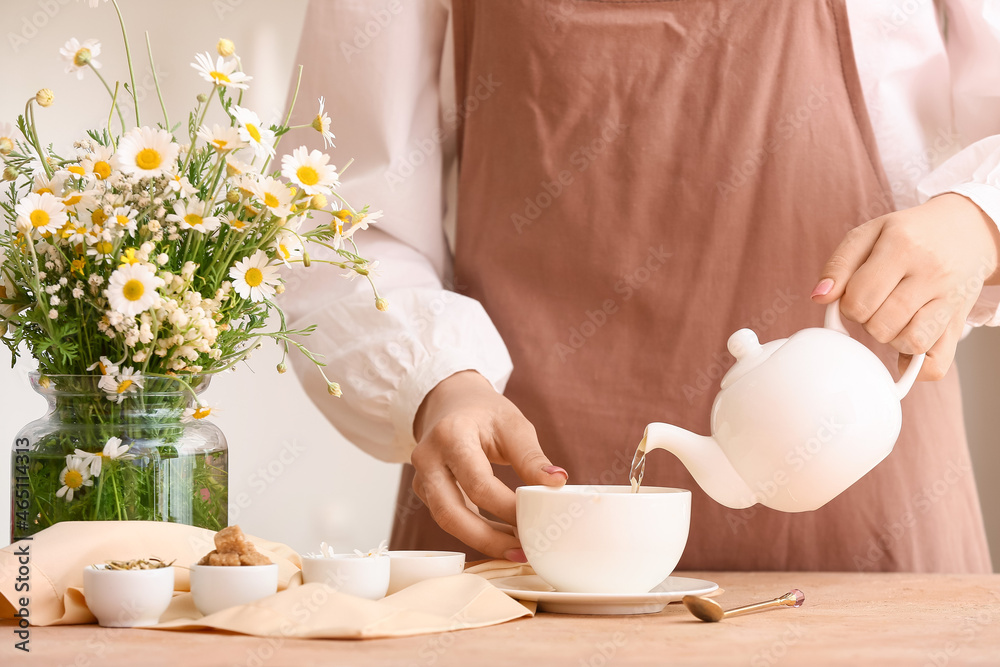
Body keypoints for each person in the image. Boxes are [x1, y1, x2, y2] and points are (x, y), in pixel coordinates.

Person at [282, 0, 1000, 572]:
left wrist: (982, 219)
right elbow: (339, 218)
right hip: (518, 518)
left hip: (869, 497)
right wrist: (437, 384)